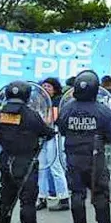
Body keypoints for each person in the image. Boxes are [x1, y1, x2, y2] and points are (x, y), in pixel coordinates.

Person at [57, 70, 111, 223]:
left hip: (73, 157)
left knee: (77, 195)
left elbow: (62, 130)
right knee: (100, 194)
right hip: (95, 158)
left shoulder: (67, 108)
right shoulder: (103, 110)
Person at [0, 81, 55, 223]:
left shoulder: (0, 114)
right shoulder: (30, 114)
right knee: (27, 202)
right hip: (25, 163)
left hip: (6, 160)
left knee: (5, 200)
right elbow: (45, 131)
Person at [36, 77, 70, 212]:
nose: (46, 88)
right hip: (44, 133)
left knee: (55, 165)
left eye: (49, 86)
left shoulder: (57, 100)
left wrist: (39, 122)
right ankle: (42, 196)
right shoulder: (41, 101)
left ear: (55, 88)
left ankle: (63, 197)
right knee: (42, 167)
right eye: (44, 86)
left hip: (54, 134)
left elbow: (52, 119)